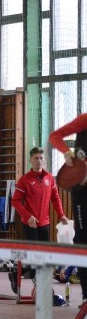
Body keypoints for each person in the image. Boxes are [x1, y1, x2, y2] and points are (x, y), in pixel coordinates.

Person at [9, 146, 69, 294]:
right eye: (36, 158)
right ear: (30, 160)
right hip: (30, 224)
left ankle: (17, 273)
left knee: (43, 254)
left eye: (41, 158)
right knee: (34, 255)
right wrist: (28, 216)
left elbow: (55, 197)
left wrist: (61, 214)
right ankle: (35, 282)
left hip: (45, 223)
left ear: (45, 160)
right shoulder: (25, 180)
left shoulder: (49, 178)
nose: (39, 161)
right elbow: (15, 201)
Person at [50, 115, 87, 305]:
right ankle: (86, 296)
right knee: (82, 242)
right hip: (81, 194)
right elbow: (55, 136)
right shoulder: (85, 120)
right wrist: (67, 153)